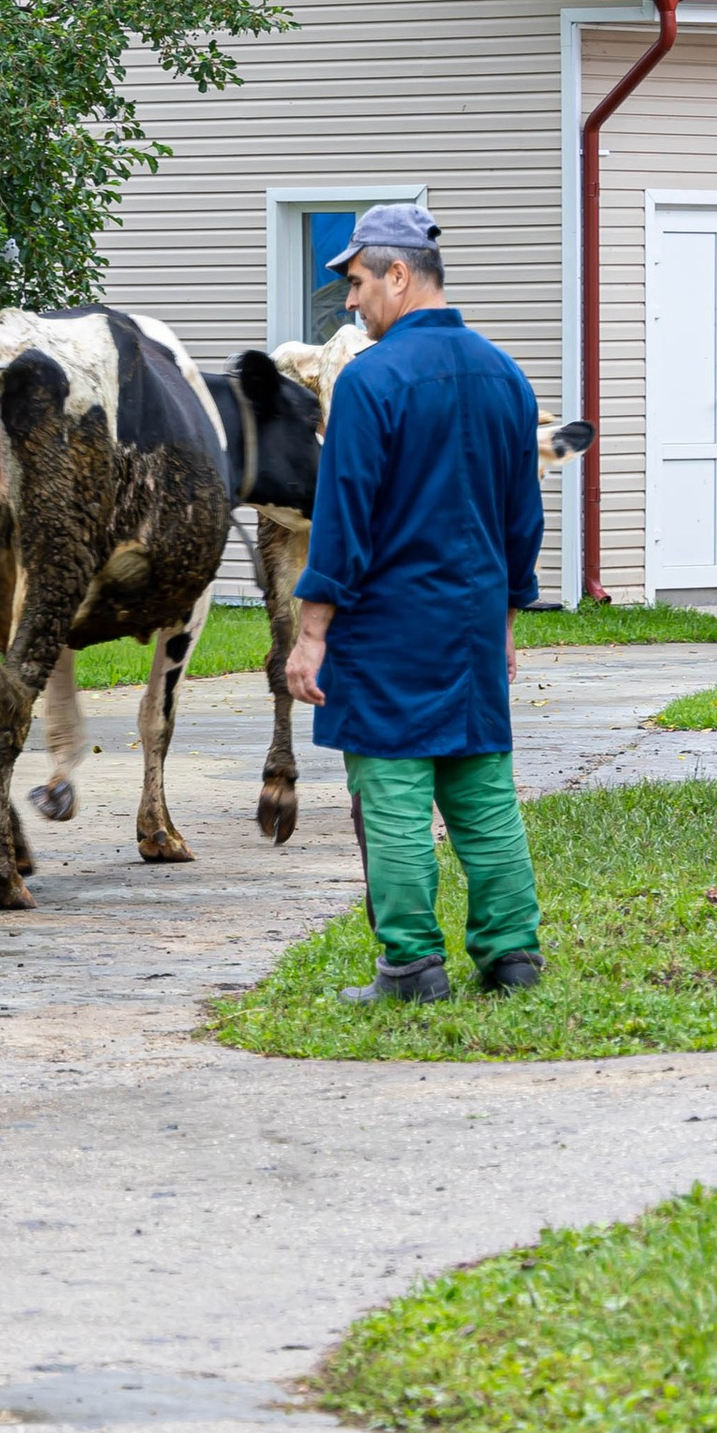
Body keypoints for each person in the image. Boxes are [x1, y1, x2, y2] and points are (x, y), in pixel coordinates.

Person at [281, 205, 545, 1002]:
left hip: (387, 629)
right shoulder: (505, 375)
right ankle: (512, 957)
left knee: (392, 794)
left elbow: (343, 520)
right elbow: (521, 521)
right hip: (470, 627)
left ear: (399, 275)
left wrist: (310, 634)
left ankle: (411, 967)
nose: (350, 301)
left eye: (357, 282)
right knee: (482, 791)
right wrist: (503, 622)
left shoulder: (371, 381)